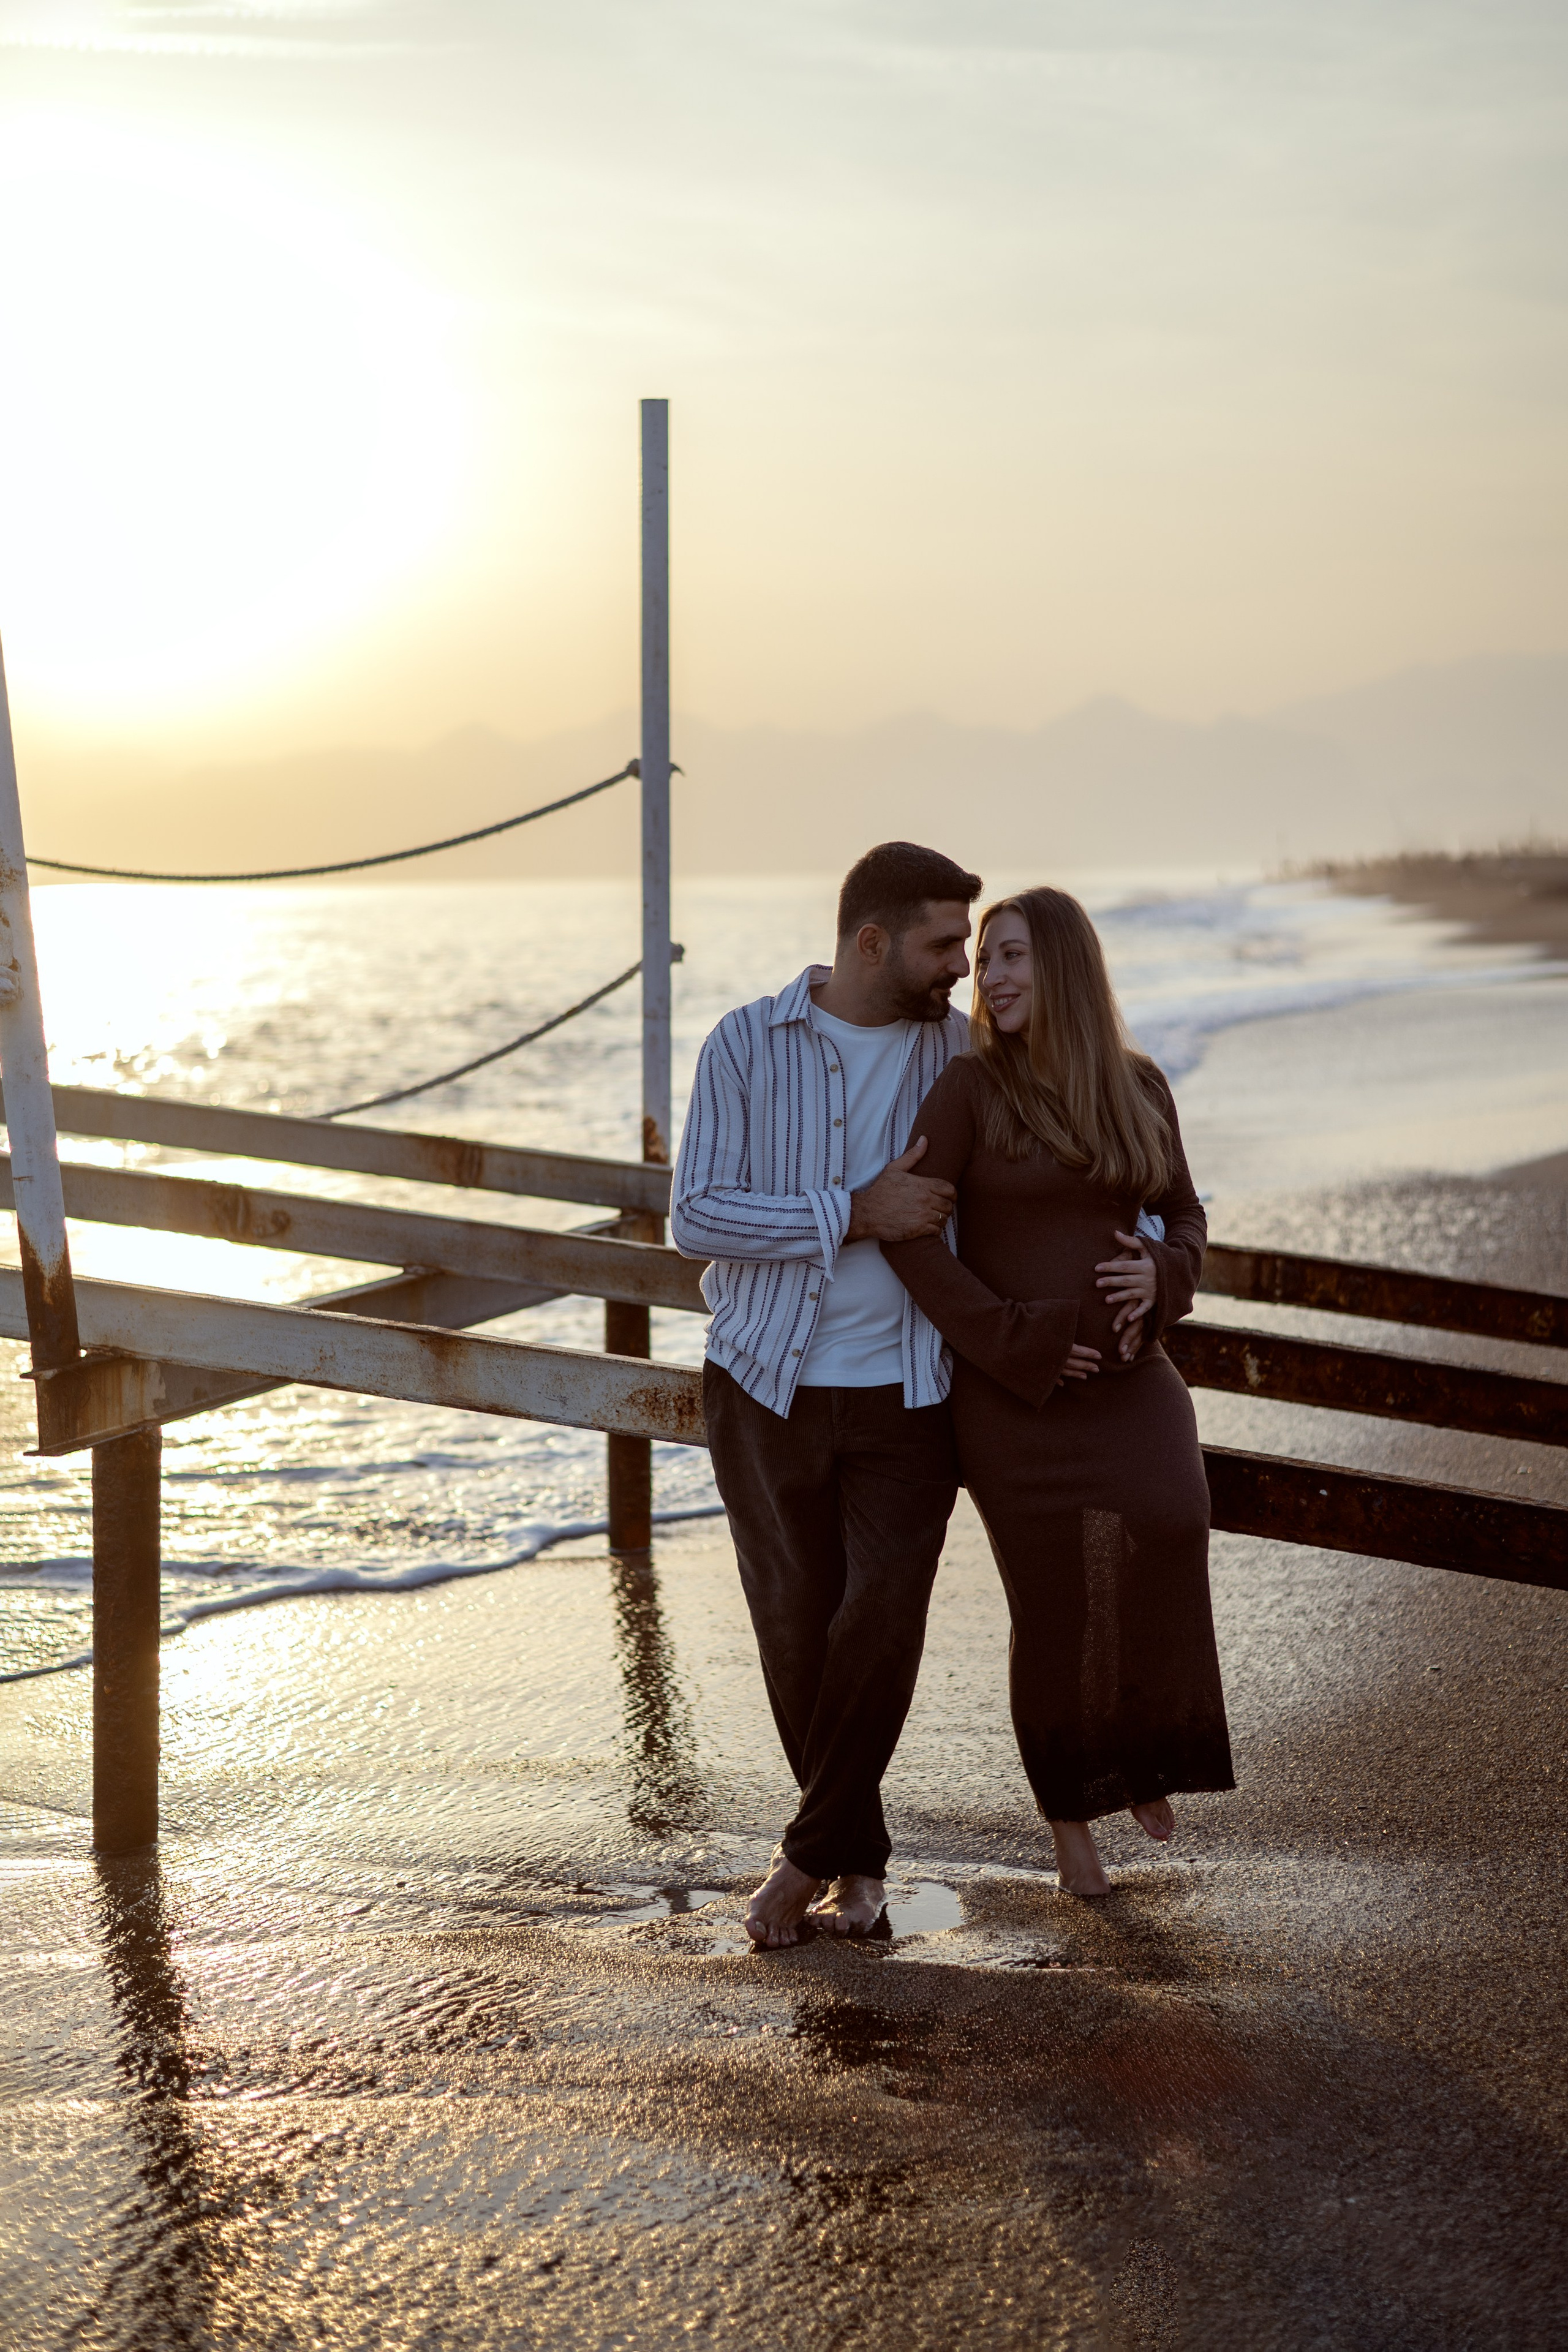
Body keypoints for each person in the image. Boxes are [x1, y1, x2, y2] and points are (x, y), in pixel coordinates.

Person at [881, 886, 1235, 1896]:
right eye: (984, 958)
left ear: (1066, 967)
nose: (989, 976)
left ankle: (1140, 1750)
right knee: (1052, 1606)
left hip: (1133, 1378)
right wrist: (1017, 1340)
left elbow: (1185, 1215)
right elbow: (907, 1234)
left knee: (1171, 1522)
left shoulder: (1139, 1086)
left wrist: (1162, 1280)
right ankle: (1070, 1821)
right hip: (1016, 1398)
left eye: (1013, 956)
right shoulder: (968, 1092)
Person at [671, 841, 982, 1948]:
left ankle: (799, 1864)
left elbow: (1066, 1163)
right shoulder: (747, 1044)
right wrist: (853, 1210)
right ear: (872, 941)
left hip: (909, 1391)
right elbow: (697, 1215)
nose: (963, 964)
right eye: (943, 943)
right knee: (796, 1634)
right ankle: (858, 1865)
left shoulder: (966, 1052)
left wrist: (1153, 1252)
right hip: (765, 1380)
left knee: (881, 1623)